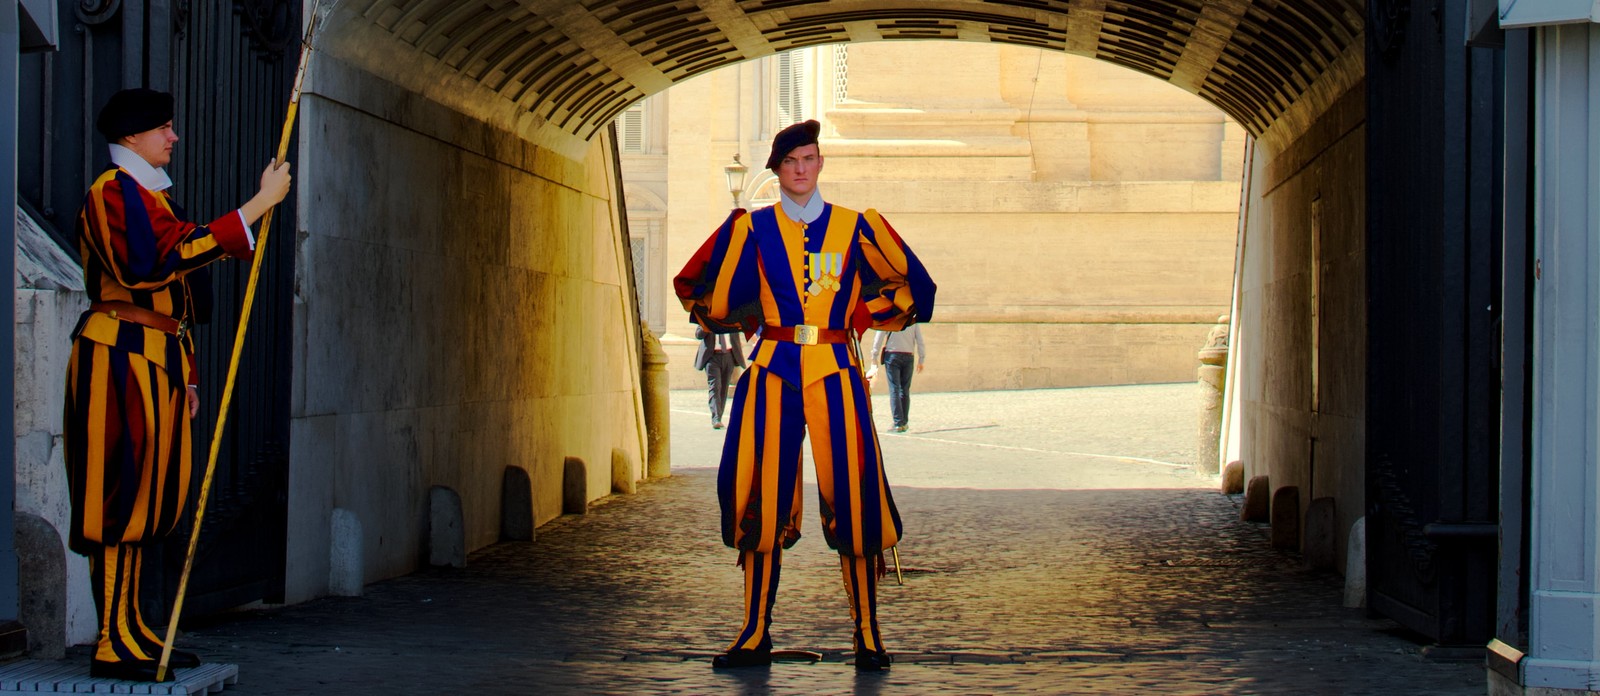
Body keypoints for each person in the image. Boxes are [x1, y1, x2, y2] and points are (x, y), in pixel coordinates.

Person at [673, 120, 936, 672]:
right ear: (778, 169)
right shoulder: (753, 228)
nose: (801, 168)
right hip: (772, 369)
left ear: (820, 165)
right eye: (792, 160)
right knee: (760, 497)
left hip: (837, 369)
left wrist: (872, 319)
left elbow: (907, 285)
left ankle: (868, 632)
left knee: (857, 496)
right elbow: (708, 291)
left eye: (810, 158)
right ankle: (753, 631)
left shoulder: (855, 226)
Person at [63, 88, 292, 682]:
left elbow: (176, 303)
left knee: (152, 499)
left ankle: (133, 627)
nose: (173, 137)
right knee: (120, 498)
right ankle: (112, 640)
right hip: (119, 356)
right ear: (133, 138)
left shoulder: (147, 196)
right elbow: (153, 264)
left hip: (154, 359)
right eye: (163, 128)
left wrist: (186, 375)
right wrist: (254, 208)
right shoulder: (113, 192)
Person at [868, 324, 926, 433]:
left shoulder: (891, 317)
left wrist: (874, 356)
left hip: (892, 355)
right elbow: (920, 340)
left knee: (894, 389)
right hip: (909, 356)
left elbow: (879, 336)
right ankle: (904, 422)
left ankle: (898, 423)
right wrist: (921, 359)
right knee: (904, 390)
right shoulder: (912, 319)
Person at [694, 326, 746, 429]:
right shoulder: (706, 317)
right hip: (712, 357)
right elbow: (698, 335)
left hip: (729, 356)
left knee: (724, 388)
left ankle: (719, 417)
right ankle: (716, 418)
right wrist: (707, 325)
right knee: (715, 386)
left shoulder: (730, 318)